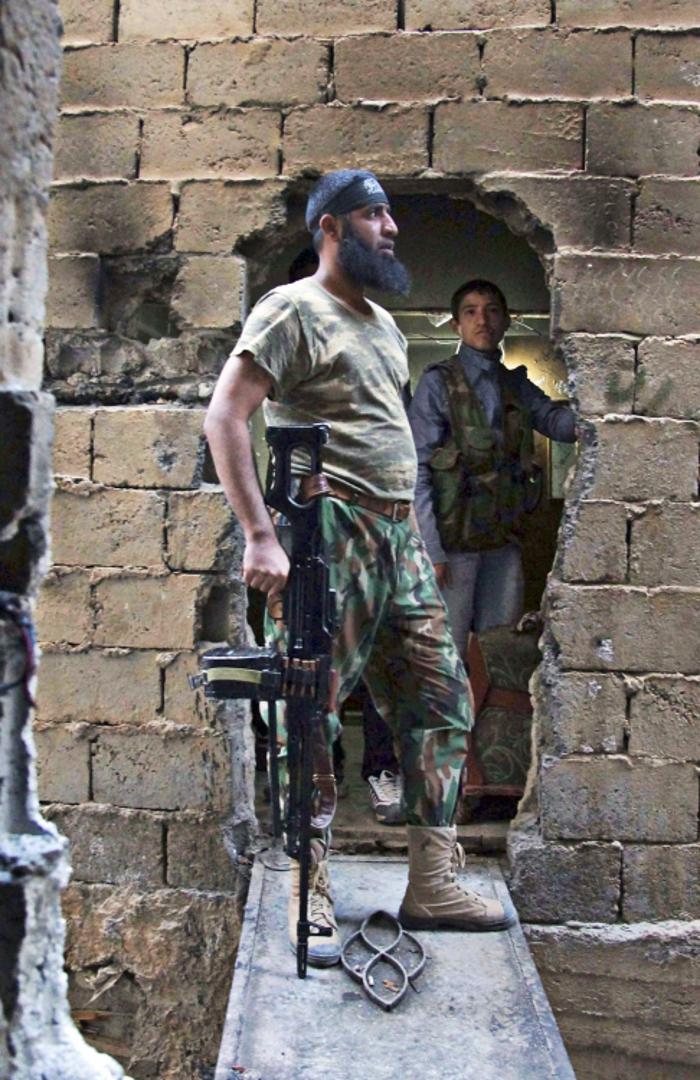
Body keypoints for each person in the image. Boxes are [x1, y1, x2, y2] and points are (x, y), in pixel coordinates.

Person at [204, 170, 514, 968]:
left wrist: (414, 537)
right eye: (375, 214)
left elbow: (386, 435)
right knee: (307, 712)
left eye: (390, 214)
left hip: (395, 534)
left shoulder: (383, 326)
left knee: (441, 700)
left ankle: (432, 882)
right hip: (327, 534)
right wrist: (260, 535)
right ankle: (308, 888)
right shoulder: (291, 310)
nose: (392, 228)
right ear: (332, 228)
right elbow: (226, 416)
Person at [408, 280, 577, 656]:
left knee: (500, 654)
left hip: (503, 542)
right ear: (456, 325)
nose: (482, 320)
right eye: (470, 312)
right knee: (445, 654)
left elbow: (559, 425)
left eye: (492, 311)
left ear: (507, 321)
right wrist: (430, 550)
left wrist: (598, 404)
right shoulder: (438, 383)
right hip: (454, 546)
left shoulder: (515, 385)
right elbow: (416, 470)